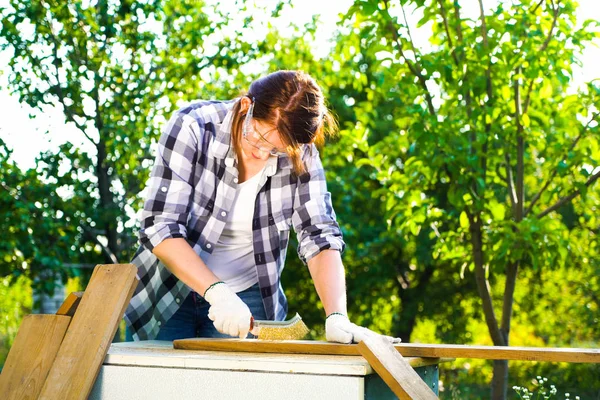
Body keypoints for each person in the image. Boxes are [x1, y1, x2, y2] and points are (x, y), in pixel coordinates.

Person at [124, 70, 399, 344]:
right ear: (246, 107)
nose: (263, 153)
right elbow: (160, 227)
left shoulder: (300, 153)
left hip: (248, 298)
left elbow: (320, 236)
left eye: (277, 149)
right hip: (168, 289)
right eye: (259, 138)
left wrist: (337, 314)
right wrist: (219, 294)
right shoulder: (192, 126)